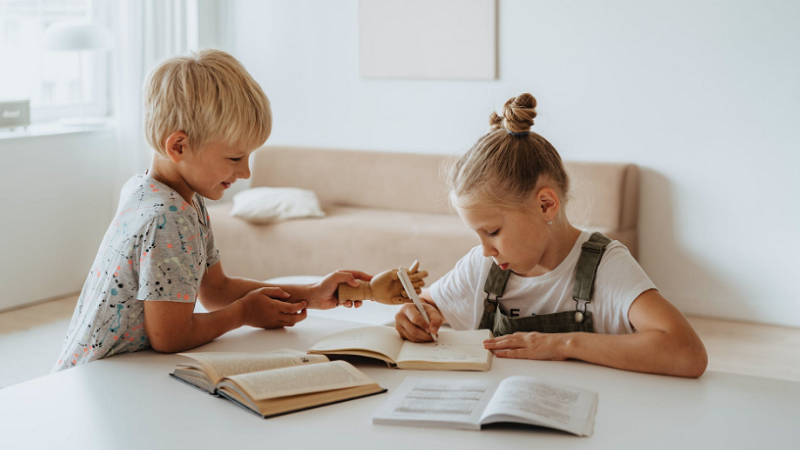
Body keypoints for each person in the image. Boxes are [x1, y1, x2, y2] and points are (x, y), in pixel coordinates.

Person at [53, 49, 369, 371]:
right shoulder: (168, 218)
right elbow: (169, 336)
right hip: (99, 377)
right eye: (234, 158)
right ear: (179, 146)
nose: (245, 172)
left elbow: (216, 289)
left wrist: (312, 294)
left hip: (110, 371)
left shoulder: (159, 191)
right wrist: (243, 314)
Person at [394, 93, 708, 378]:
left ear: (546, 205)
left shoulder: (605, 267)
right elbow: (429, 304)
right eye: (477, 234)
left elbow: (688, 354)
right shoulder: (483, 266)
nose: (485, 249)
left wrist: (563, 344)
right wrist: (418, 316)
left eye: (493, 231)